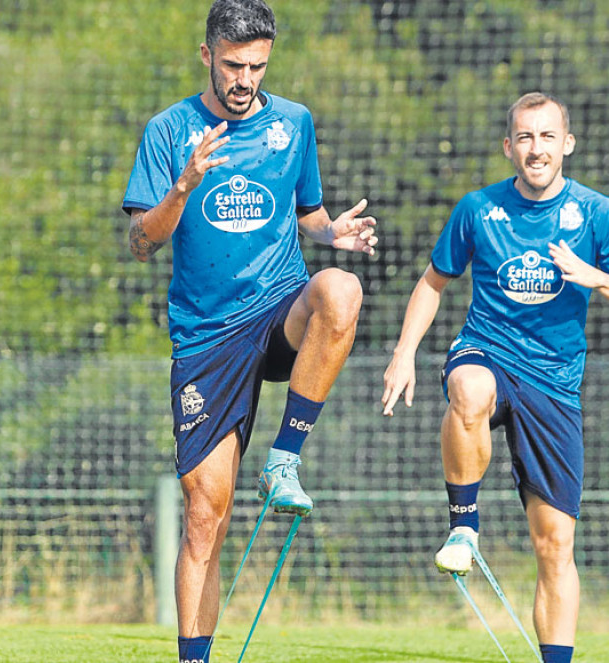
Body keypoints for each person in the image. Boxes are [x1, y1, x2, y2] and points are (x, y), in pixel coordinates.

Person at [122, 1, 377, 660]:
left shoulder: (292, 123)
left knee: (340, 291)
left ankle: (285, 457)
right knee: (205, 515)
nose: (244, 78)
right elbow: (139, 241)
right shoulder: (169, 129)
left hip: (277, 309)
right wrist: (181, 187)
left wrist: (331, 233)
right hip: (207, 336)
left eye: (256, 65)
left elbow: (310, 214)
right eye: (233, 65)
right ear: (206, 55)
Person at [382, 92, 608, 663]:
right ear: (509, 147)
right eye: (525, 138)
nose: (537, 149)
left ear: (568, 145)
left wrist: (593, 276)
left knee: (555, 547)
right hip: (488, 352)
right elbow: (434, 282)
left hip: (555, 382)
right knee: (469, 389)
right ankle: (464, 526)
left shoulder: (596, 213)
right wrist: (405, 352)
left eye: (547, 137)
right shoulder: (478, 209)